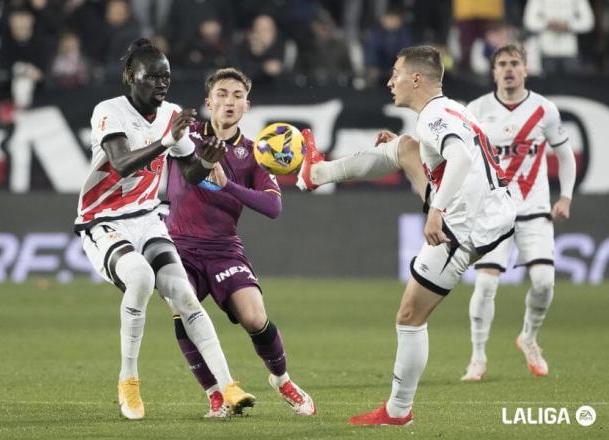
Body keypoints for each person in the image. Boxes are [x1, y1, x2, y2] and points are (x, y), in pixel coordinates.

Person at [300, 45, 516, 426]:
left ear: (416, 79)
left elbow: (462, 158)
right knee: (403, 148)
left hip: (465, 225)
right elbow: (456, 155)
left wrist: (437, 211)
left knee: (409, 315)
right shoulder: (451, 108)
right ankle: (316, 174)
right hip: (490, 207)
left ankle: (398, 411)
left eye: (395, 73)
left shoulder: (434, 115)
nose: (389, 81)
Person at [74, 39, 254, 420]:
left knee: (183, 294)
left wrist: (205, 162)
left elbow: (188, 170)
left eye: (166, 77)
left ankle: (228, 385)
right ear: (129, 77)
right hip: (102, 220)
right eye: (152, 76)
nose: (161, 83)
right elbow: (122, 163)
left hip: (145, 218)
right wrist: (166, 140)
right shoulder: (110, 111)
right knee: (139, 277)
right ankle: (129, 380)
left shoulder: (170, 113)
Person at [164, 67, 316, 418]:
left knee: (253, 316)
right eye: (221, 94)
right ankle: (215, 394)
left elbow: (273, 206)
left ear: (247, 106)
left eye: (236, 96)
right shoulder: (185, 136)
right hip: (179, 245)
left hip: (223, 248)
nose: (228, 102)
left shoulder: (255, 154)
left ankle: (282, 379)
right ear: (208, 102)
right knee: (183, 310)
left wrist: (226, 184)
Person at [461, 44, 576, 381]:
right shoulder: (476, 110)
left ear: (525, 69)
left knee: (543, 282)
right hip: (493, 212)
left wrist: (565, 196)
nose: (508, 69)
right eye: (502, 64)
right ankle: (477, 358)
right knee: (484, 285)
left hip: (534, 208)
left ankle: (528, 336)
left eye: (514, 63)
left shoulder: (544, 110)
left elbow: (565, 155)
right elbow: (462, 159)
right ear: (493, 71)